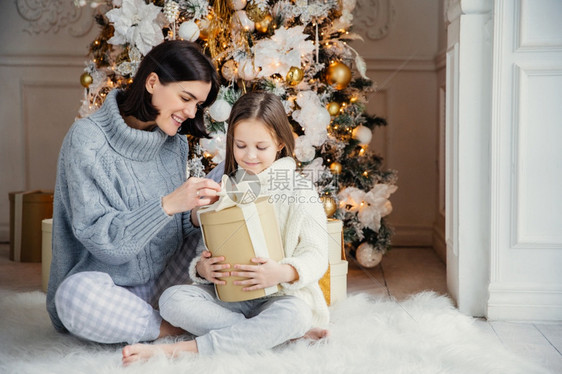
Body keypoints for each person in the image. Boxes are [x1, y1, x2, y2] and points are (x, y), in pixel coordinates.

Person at [122, 91, 330, 363]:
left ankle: (179, 351)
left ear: (279, 143)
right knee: (172, 300)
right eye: (241, 146)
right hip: (232, 298)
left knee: (297, 314)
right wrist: (202, 268)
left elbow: (316, 254)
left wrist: (280, 272)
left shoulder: (299, 190)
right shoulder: (226, 188)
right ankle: (274, 335)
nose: (250, 156)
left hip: (281, 297)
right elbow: (207, 248)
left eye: (261, 147)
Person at [46, 40, 224, 345]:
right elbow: (106, 243)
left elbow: (171, 234)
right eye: (186, 97)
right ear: (153, 82)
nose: (191, 111)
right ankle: (173, 327)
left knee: (229, 169)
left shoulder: (174, 145)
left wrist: (193, 216)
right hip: (111, 289)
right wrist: (168, 204)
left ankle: (244, 305)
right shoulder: (87, 140)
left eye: (198, 104)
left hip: (168, 282)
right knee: (73, 297)